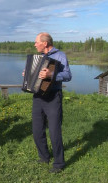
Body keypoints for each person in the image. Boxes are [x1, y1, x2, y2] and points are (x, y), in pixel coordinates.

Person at [28, 32, 72, 173]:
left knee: (54, 131)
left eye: (36, 42)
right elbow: (34, 74)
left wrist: (51, 74)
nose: (35, 44)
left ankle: (59, 163)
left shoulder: (60, 56)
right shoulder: (39, 57)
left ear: (45, 43)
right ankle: (44, 156)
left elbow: (68, 75)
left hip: (53, 97)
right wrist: (28, 74)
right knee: (37, 130)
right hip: (38, 96)